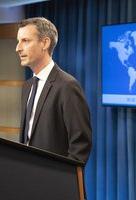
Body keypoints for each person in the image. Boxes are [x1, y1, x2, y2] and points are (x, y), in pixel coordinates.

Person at [16, 17, 92, 164]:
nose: (18, 48)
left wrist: (63, 177)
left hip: (55, 180)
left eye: (25, 41)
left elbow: (80, 144)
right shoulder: (26, 87)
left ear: (45, 43)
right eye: (18, 41)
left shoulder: (67, 85)